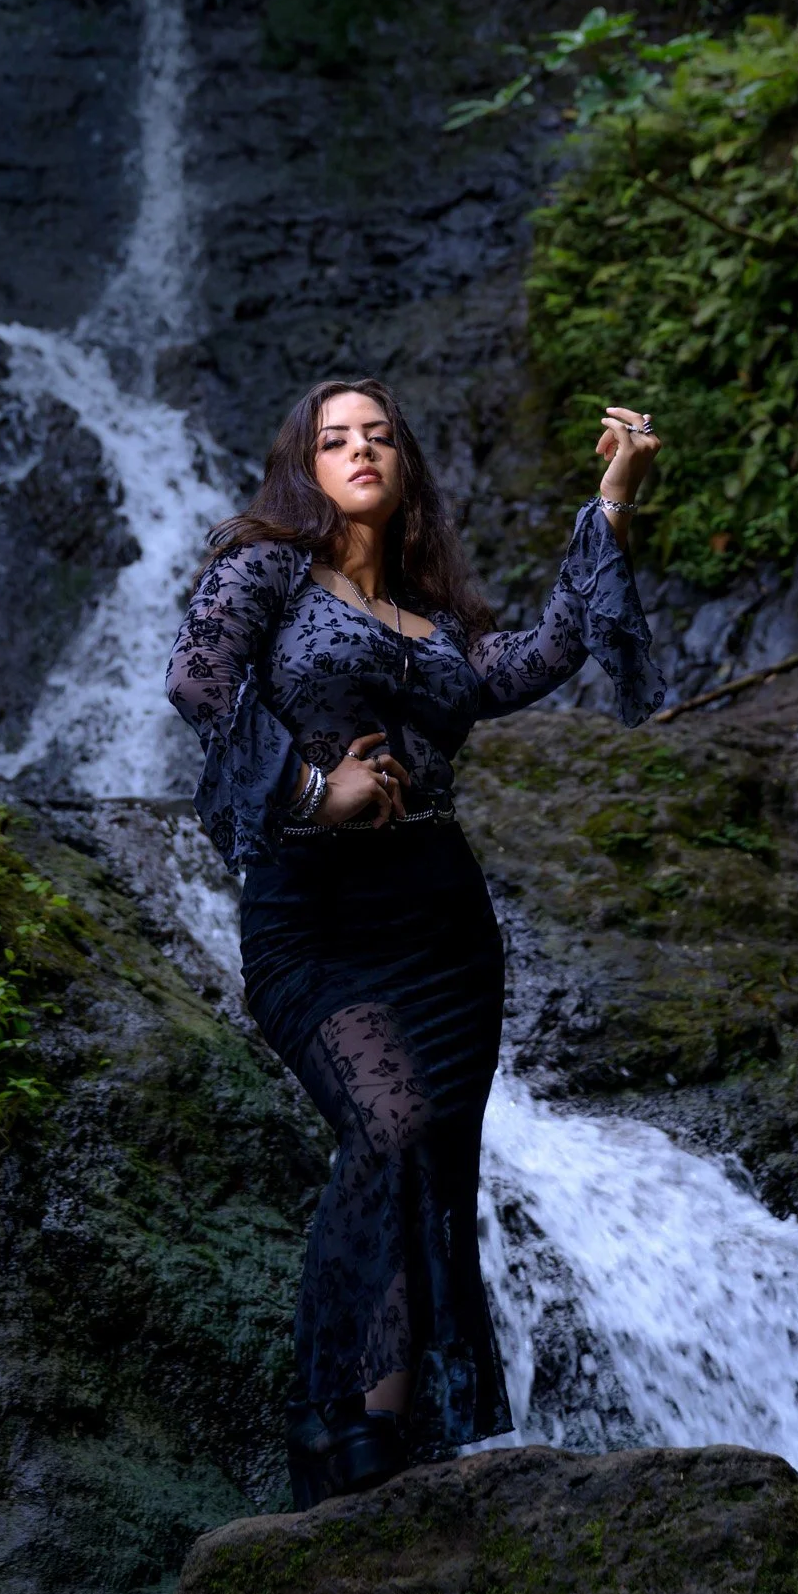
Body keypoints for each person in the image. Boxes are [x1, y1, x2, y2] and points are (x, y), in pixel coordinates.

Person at [164, 376, 663, 1509]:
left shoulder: (437, 620)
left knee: (431, 1161)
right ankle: (332, 1419)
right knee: (383, 1124)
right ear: (303, 462)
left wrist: (615, 501)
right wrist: (307, 786)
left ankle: (381, 1458)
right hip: (316, 920)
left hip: (443, 926)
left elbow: (539, 657)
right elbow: (198, 679)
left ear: (407, 465)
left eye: (380, 435)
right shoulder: (266, 570)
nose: (361, 450)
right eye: (335, 437)